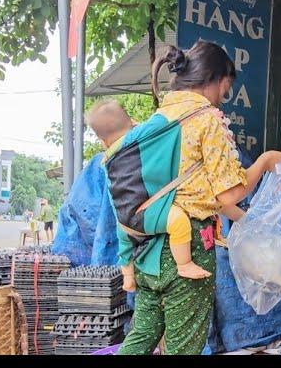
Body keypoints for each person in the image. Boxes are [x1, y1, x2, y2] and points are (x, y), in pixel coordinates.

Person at [98, 40, 281, 354]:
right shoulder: (206, 119)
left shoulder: (160, 118)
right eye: (227, 86)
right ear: (215, 77)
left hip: (147, 246)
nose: (225, 96)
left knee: (141, 336)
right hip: (189, 248)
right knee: (184, 348)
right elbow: (231, 193)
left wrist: (251, 222)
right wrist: (265, 161)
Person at [86, 99, 243, 292]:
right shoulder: (138, 138)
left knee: (124, 247)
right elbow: (160, 123)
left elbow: (113, 196)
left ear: (102, 141)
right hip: (146, 214)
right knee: (178, 221)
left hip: (124, 221)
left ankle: (128, 277)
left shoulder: (107, 161)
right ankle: (184, 264)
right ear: (133, 124)